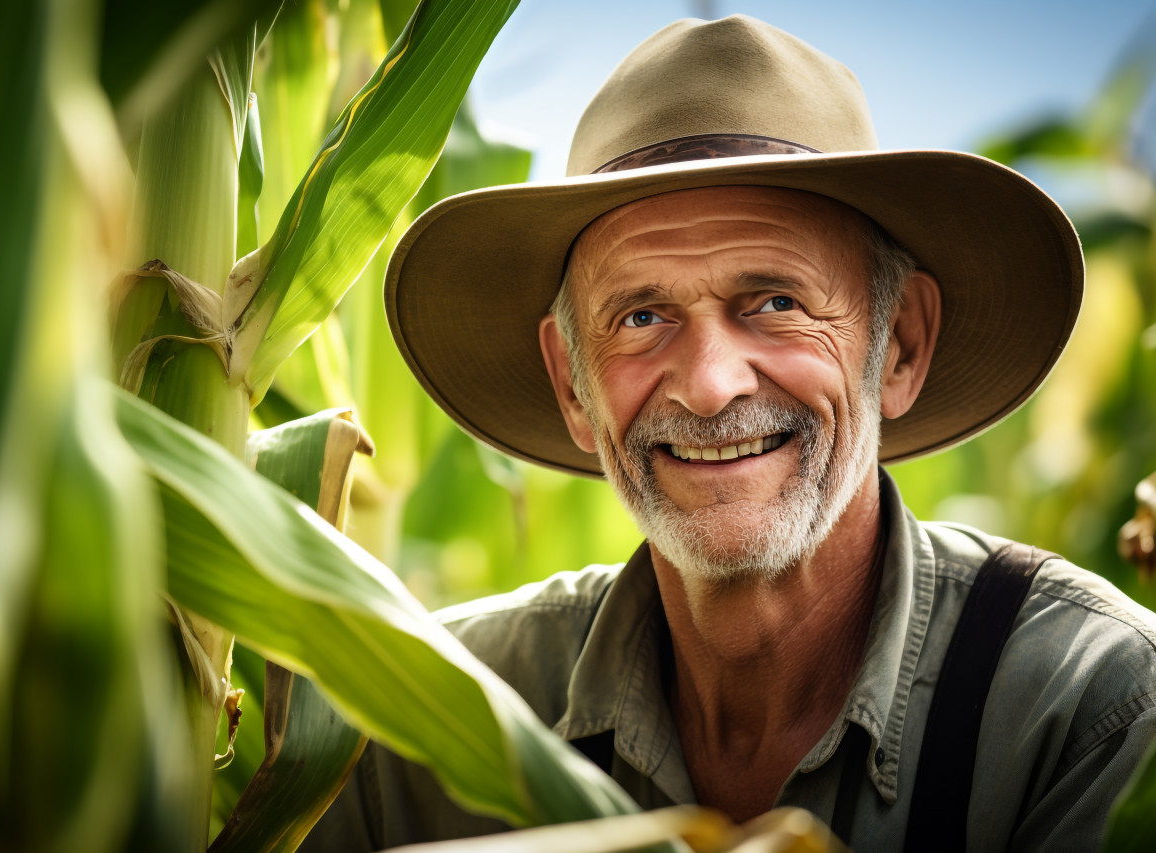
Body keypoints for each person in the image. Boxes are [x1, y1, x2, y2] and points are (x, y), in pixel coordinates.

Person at [305, 15, 1156, 852]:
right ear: (572, 381)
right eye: (641, 316)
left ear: (898, 345)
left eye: (777, 302)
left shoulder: (1091, 710)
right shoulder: (425, 721)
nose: (711, 387)